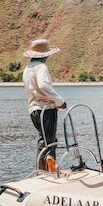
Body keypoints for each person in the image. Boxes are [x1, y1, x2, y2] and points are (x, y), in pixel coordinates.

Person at [22, 38, 67, 170]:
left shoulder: (27, 68)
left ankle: (41, 168)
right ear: (45, 55)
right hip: (46, 109)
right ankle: (50, 165)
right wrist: (60, 101)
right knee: (50, 141)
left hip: (33, 109)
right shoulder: (41, 67)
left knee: (43, 139)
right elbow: (43, 85)